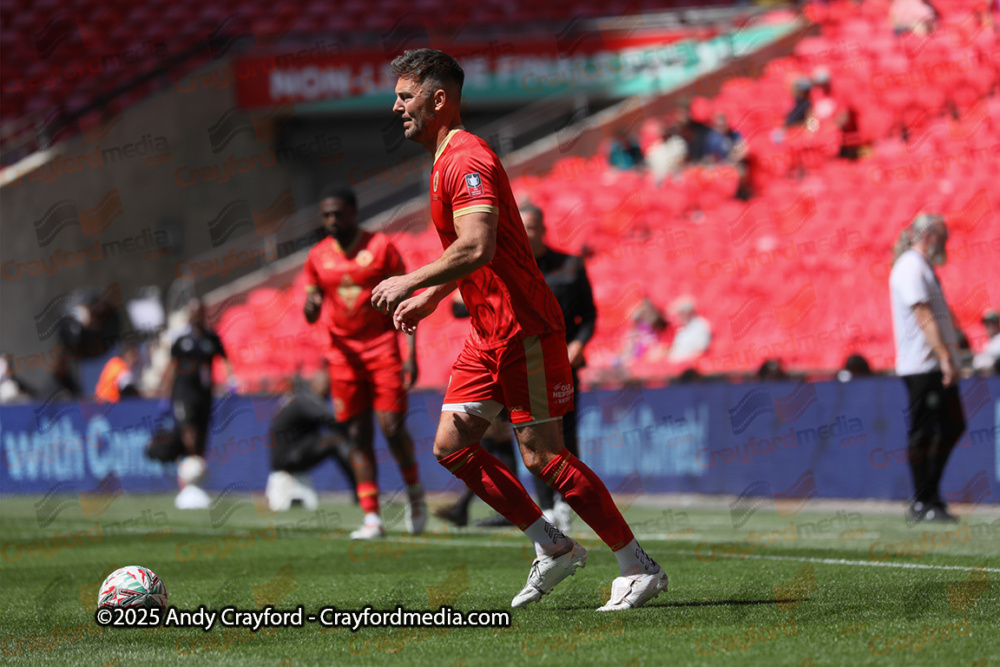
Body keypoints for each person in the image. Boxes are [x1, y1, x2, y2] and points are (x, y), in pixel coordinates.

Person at [372, 48, 666, 611]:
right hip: (488, 331)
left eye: (405, 96)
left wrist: (411, 281)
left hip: (522, 327)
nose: (396, 106)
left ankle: (637, 566)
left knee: (542, 456)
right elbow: (480, 256)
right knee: (452, 447)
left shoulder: (467, 159)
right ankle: (552, 546)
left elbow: (477, 245)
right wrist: (434, 295)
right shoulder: (441, 159)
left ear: (439, 100)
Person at [303, 185, 427, 539]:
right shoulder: (317, 256)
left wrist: (412, 354)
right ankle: (372, 516)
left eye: (337, 214)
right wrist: (310, 308)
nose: (331, 221)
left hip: (383, 348)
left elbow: (409, 302)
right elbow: (312, 307)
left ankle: (414, 492)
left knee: (391, 427)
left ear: (354, 213)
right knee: (356, 435)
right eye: (326, 215)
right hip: (342, 357)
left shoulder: (381, 249)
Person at [521, 203, 597, 533]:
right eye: (522, 227)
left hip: (562, 366)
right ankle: (546, 507)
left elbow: (589, 314)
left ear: (543, 228)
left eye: (533, 227)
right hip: (523, 366)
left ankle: (566, 502)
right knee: (531, 438)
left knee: (564, 436)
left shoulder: (570, 265)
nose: (528, 233)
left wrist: (579, 344)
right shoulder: (511, 267)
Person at [889, 213, 966, 523]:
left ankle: (930, 495)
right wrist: (944, 355)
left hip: (932, 363)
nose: (945, 244)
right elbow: (922, 314)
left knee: (952, 426)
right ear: (930, 235)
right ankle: (922, 501)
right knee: (924, 431)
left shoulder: (921, 267)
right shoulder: (910, 266)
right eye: (942, 237)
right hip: (923, 364)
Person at [158, 298, 235, 509]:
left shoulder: (211, 339)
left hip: (204, 395)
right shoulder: (181, 339)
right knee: (188, 431)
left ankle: (195, 478)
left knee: (201, 436)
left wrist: (230, 381)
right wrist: (165, 394)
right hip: (183, 394)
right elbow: (172, 367)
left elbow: (225, 359)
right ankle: (188, 474)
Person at [266, 370, 357, 512]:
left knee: (336, 438)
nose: (329, 392)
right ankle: (361, 489)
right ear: (316, 384)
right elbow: (332, 420)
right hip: (287, 457)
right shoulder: (306, 399)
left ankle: (361, 489)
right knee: (336, 440)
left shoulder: (300, 397)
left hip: (291, 453)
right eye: (327, 387)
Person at [667, 296, 712, 363]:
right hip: (676, 366)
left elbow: (700, 352)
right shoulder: (681, 330)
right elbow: (675, 350)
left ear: (688, 312)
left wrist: (679, 361)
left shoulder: (700, 325)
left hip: (690, 367)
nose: (678, 316)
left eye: (680, 313)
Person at [972, 310, 1000, 374]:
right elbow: (977, 363)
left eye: (993, 323)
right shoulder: (987, 344)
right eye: (987, 324)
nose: (990, 326)